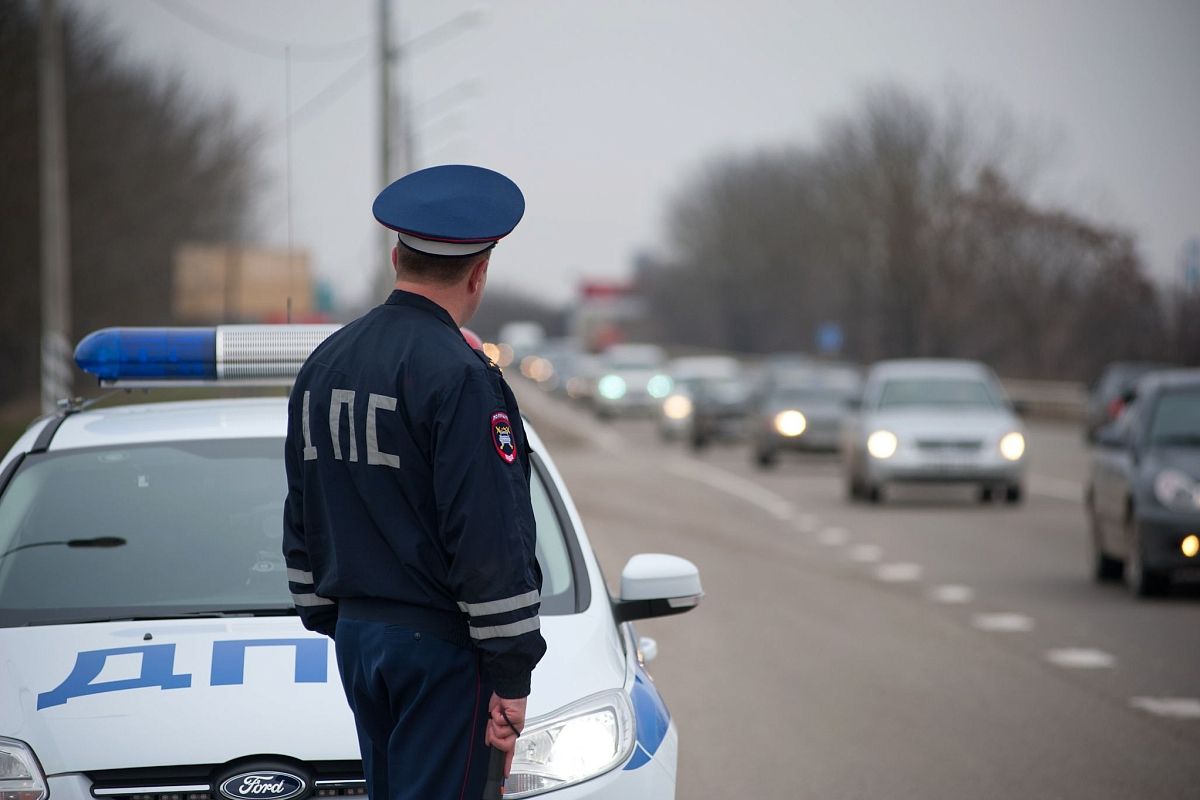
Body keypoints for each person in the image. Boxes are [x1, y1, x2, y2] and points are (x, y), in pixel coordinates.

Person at [282, 164, 546, 800]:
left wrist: (335, 616)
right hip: (439, 649)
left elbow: (302, 511)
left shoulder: (326, 361)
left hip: (359, 638)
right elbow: (485, 533)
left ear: (396, 255)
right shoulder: (460, 376)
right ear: (479, 273)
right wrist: (511, 674)